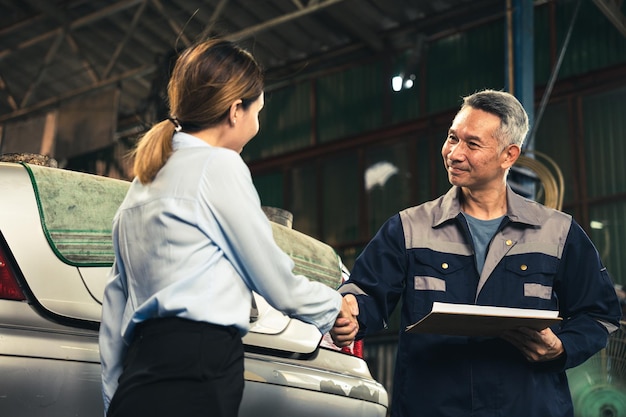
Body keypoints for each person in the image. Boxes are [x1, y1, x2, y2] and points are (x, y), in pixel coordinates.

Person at [98, 39, 357, 417]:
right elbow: (275, 281)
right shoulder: (218, 166)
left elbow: (113, 311)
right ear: (236, 110)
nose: (257, 124)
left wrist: (112, 400)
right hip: (198, 370)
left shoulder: (140, 188)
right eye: (257, 112)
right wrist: (335, 307)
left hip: (139, 377)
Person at [330, 89, 622, 417]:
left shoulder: (558, 232)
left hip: (529, 407)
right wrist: (351, 312)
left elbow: (599, 314)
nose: (454, 153)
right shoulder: (409, 228)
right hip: (433, 408)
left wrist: (562, 347)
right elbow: (365, 293)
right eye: (452, 138)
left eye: (472, 144)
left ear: (508, 155)